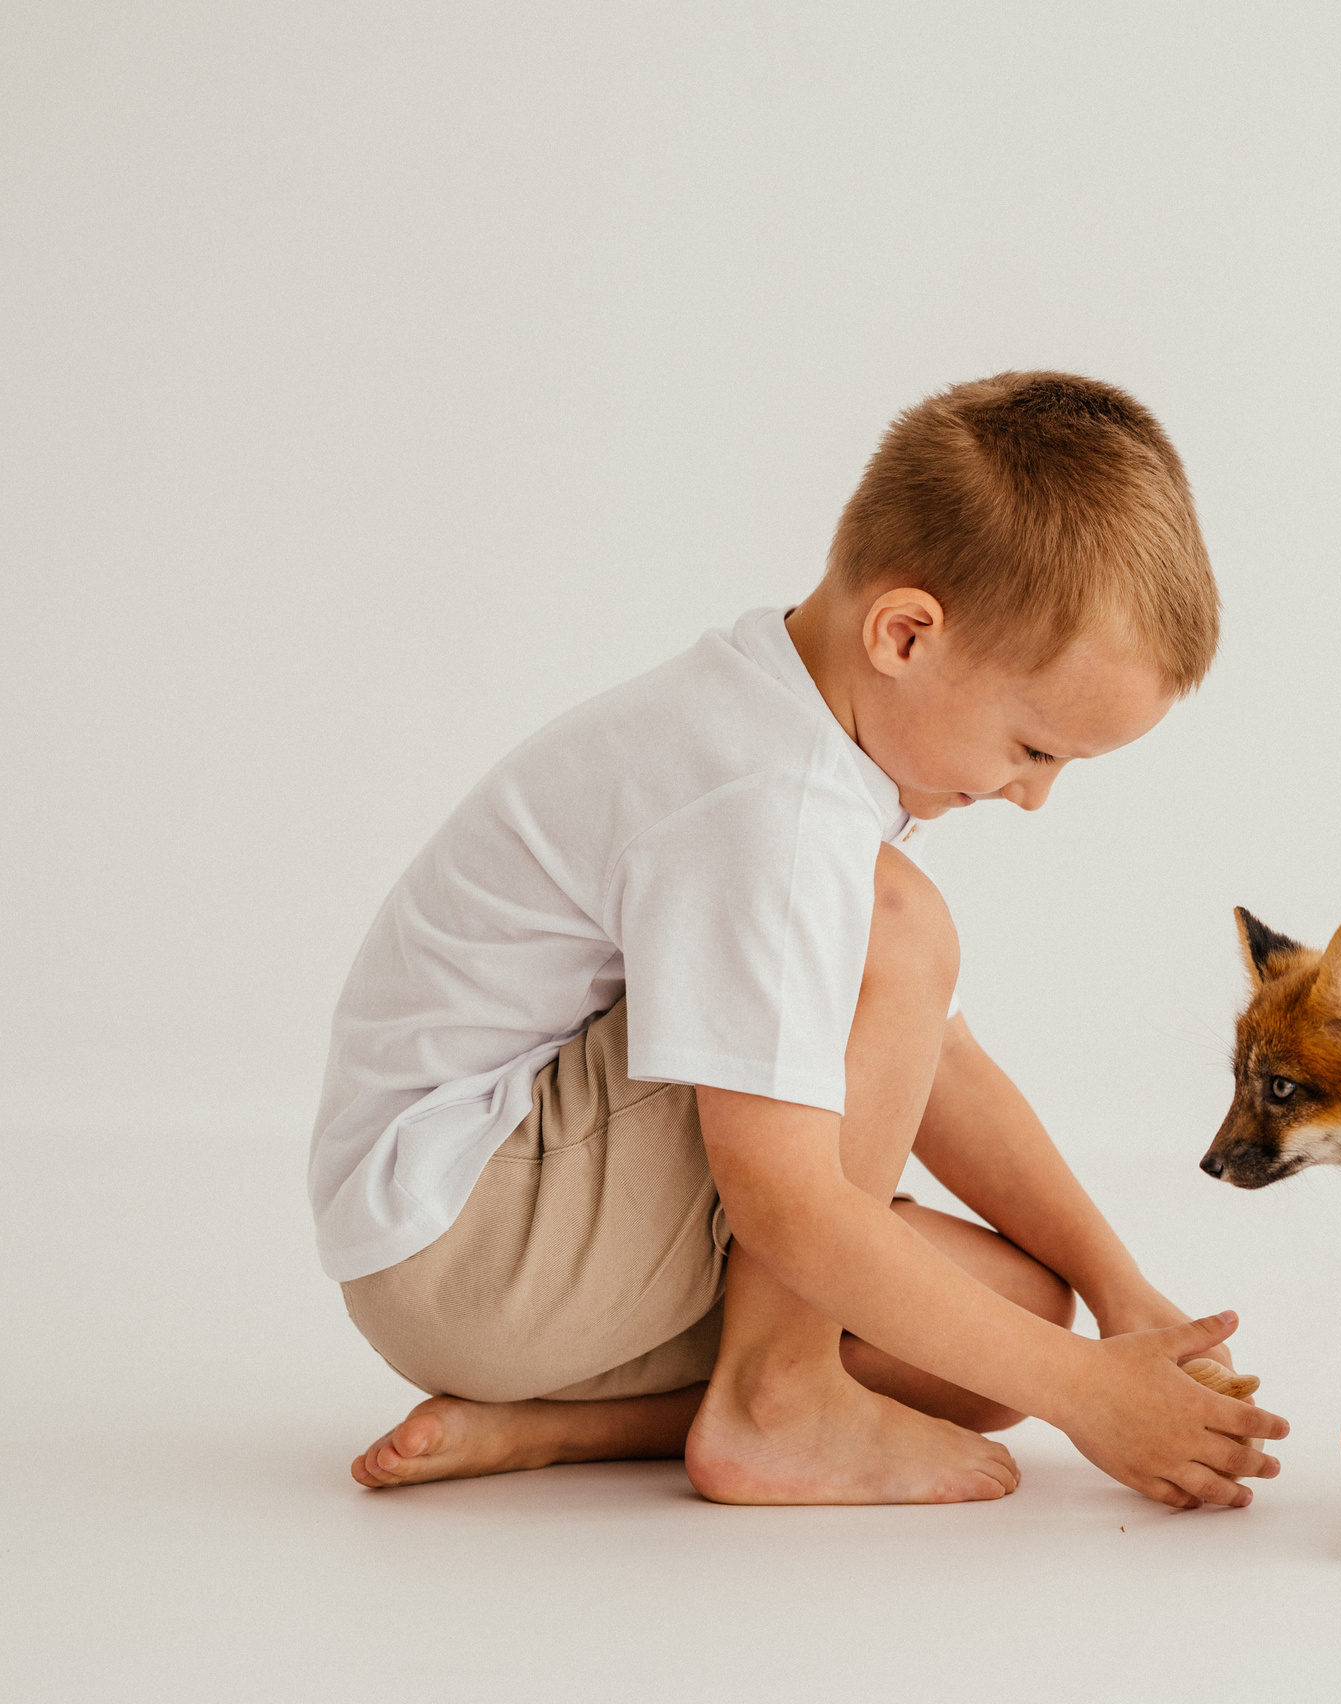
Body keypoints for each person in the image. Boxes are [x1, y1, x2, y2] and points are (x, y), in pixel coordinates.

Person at [311, 370, 1286, 1509]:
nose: (1034, 798)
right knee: (902, 932)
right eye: (1033, 749)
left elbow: (936, 1067)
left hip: (524, 1253)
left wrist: (1117, 1298)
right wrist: (1090, 1397)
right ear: (906, 634)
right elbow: (783, 1202)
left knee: (1013, 1321)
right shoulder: (771, 809)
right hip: (472, 1232)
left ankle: (565, 1430)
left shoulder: (792, 725)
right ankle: (780, 1402)